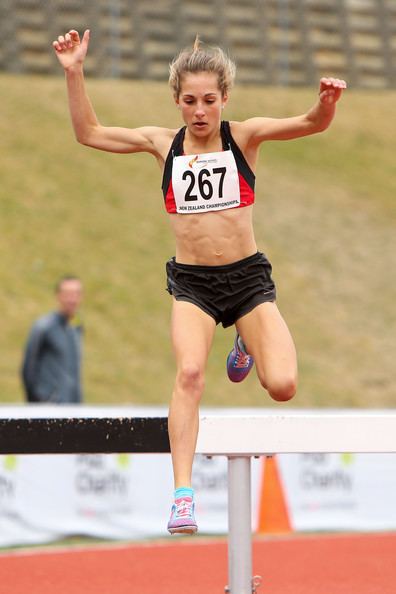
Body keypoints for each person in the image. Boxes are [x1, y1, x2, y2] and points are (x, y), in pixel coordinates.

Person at [52, 29, 346, 534]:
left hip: (248, 280)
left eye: (209, 100)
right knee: (189, 373)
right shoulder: (161, 144)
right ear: (177, 101)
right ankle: (183, 493)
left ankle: (245, 346)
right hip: (193, 284)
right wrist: (74, 72)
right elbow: (89, 133)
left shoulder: (245, 136)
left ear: (224, 98)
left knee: (282, 385)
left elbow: (310, 124)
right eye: (189, 101)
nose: (200, 111)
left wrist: (325, 103)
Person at [21, 276, 83, 404]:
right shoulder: (44, 327)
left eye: (76, 294)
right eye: (68, 294)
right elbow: (29, 368)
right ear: (58, 296)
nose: (72, 299)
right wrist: (38, 401)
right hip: (48, 410)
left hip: (73, 410)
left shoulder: (75, 329)